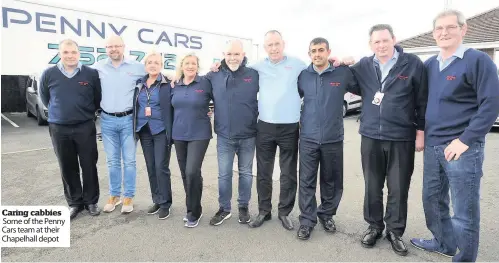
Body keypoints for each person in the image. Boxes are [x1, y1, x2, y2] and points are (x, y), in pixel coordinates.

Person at [410, 10, 499, 262]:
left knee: (464, 211)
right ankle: (443, 242)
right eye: (439, 28)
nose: (444, 33)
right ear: (433, 33)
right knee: (432, 200)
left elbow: (491, 104)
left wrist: (465, 139)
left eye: (450, 27)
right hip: (433, 146)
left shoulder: (478, 61)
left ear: (464, 29)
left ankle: (465, 257)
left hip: (462, 149)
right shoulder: (430, 65)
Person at [349, 24, 427, 256]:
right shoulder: (363, 65)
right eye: (376, 42)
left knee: (398, 187)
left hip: (401, 137)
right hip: (371, 136)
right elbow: (345, 77)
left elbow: (422, 100)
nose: (381, 46)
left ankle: (395, 231)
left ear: (394, 39)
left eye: (385, 40)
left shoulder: (412, 64)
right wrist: (338, 60)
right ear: (370, 44)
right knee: (372, 186)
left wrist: (421, 131)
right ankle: (374, 226)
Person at [296, 37, 359, 240]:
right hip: (308, 138)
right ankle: (306, 220)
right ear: (309, 54)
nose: (317, 54)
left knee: (331, 180)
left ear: (328, 51)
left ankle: (326, 214)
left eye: (321, 50)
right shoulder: (303, 76)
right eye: (313, 50)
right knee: (306, 181)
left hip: (333, 137)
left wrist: (353, 63)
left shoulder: (342, 73)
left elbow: (364, 86)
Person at [39, 39, 102, 220]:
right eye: (66, 52)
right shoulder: (49, 74)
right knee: (67, 166)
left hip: (84, 126)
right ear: (60, 54)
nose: (70, 56)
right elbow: (46, 98)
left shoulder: (90, 74)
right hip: (59, 128)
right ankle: (75, 203)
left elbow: (97, 98)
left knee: (89, 164)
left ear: (78, 53)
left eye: (73, 52)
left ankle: (91, 201)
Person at [206, 40, 259, 226]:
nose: (233, 58)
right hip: (224, 136)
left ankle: (243, 207)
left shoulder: (254, 75)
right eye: (229, 54)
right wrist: (175, 79)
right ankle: (224, 208)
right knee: (224, 175)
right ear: (224, 54)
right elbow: (196, 88)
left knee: (245, 173)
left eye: (236, 54)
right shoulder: (214, 74)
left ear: (243, 54)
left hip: (248, 135)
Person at [93, 35, 146, 214]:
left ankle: (128, 196)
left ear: (124, 47)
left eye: (117, 46)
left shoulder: (137, 67)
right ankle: (114, 196)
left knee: (129, 161)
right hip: (107, 120)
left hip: (128, 121)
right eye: (110, 46)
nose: (113, 49)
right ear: (105, 49)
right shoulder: (98, 67)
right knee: (112, 161)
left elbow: (157, 74)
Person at [172, 53, 213, 228]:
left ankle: (194, 212)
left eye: (193, 63)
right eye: (187, 63)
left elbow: (221, 96)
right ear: (181, 65)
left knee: (191, 171)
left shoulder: (205, 82)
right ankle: (193, 208)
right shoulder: (174, 85)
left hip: (199, 133)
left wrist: (212, 111)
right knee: (186, 174)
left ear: (198, 66)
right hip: (179, 134)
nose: (190, 66)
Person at [133, 51, 174, 220]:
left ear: (161, 65)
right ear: (145, 65)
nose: (153, 65)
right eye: (150, 62)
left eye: (156, 62)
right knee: (150, 167)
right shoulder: (139, 83)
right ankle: (156, 200)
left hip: (161, 130)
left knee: (160, 167)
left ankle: (165, 203)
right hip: (144, 129)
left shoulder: (168, 83)